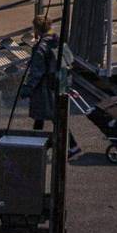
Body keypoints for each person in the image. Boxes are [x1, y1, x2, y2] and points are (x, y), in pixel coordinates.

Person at [22, 14, 80, 159]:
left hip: (45, 88)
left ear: (36, 29)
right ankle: (37, 146)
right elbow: (70, 59)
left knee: (52, 116)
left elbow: (37, 72)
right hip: (59, 83)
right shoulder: (58, 41)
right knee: (43, 116)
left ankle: (72, 146)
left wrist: (28, 88)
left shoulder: (40, 47)